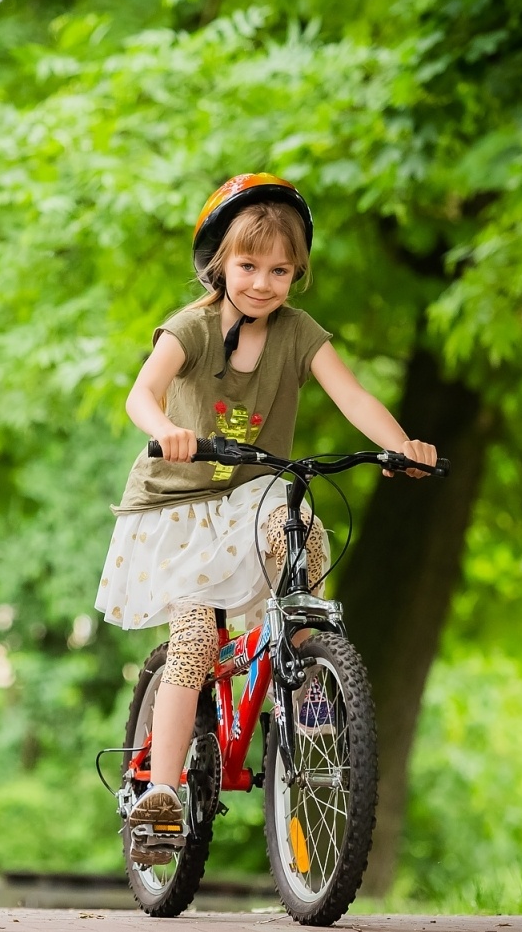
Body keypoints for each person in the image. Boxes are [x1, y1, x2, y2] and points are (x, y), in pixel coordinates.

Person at [96, 173, 437, 865]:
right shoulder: (190, 327)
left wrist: (401, 445)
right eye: (249, 266)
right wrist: (166, 428)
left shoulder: (298, 333)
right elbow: (142, 392)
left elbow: (353, 395)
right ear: (218, 262)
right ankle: (161, 795)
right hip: (180, 505)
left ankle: (303, 681)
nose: (263, 282)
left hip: (253, 497)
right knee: (194, 639)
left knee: (305, 537)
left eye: (281, 270)